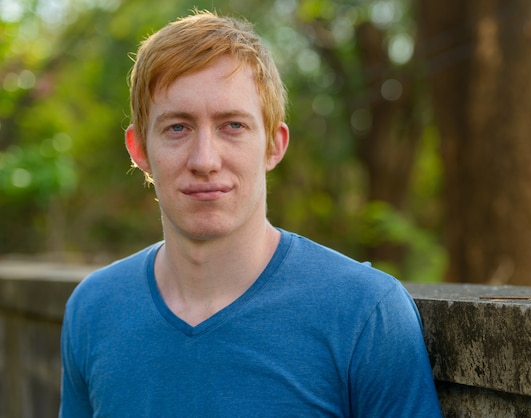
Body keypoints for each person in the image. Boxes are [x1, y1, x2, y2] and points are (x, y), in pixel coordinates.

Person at [59, 10, 442, 417]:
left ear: (274, 145)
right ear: (139, 150)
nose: (205, 160)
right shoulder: (93, 310)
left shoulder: (366, 315)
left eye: (232, 126)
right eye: (177, 128)